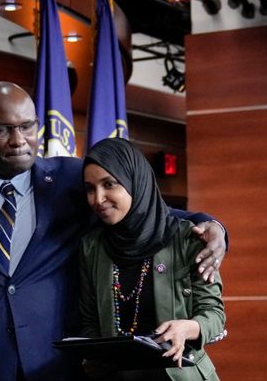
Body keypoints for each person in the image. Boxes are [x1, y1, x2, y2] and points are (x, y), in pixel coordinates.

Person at [0, 81, 227, 381]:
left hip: (64, 368)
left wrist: (213, 225)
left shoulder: (71, 181)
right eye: (2, 129)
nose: (19, 140)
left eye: (27, 127)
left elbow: (144, 208)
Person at [79, 138, 225, 381]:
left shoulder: (186, 237)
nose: (98, 198)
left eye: (109, 184)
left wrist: (187, 328)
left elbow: (214, 314)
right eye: (90, 188)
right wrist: (95, 355)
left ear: (135, 182)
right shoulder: (92, 247)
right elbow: (90, 320)